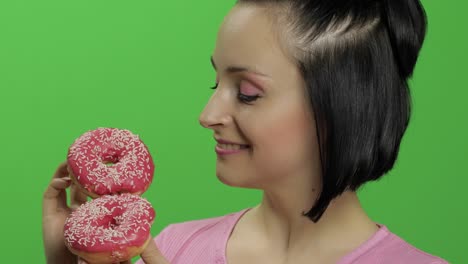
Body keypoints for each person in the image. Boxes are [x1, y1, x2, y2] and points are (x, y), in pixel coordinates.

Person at [43, 0, 450, 263]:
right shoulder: (172, 248)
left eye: (248, 93)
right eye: (214, 84)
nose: (207, 115)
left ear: (340, 108)